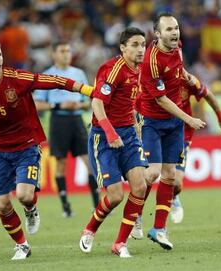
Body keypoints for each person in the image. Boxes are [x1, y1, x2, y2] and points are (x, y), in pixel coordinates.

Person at [0, 39, 93, 260]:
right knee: (2, 205)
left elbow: (54, 80)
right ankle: (22, 245)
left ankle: (31, 210)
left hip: (26, 145)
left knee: (25, 196)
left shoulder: (18, 78)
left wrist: (87, 90)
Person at [132, 13, 206, 250]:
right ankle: (136, 215)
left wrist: (182, 74)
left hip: (173, 122)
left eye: (176, 28)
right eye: (169, 30)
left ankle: (159, 229)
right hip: (153, 120)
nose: (174, 33)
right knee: (152, 173)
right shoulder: (151, 61)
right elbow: (162, 100)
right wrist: (189, 119)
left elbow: (178, 62)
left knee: (170, 175)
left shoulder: (177, 47)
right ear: (157, 34)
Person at [77, 27, 147, 258]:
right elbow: (97, 103)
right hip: (104, 136)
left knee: (140, 186)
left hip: (128, 134)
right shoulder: (112, 69)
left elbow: (130, 101)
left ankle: (120, 243)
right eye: (135, 45)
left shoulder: (140, 70)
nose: (140, 49)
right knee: (115, 195)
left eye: (143, 45)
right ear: (123, 47)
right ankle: (90, 229)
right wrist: (110, 132)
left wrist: (136, 125)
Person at [131, 75, 221, 230]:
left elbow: (208, 94)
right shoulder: (151, 80)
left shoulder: (187, 79)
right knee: (151, 173)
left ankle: (173, 197)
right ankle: (137, 214)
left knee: (176, 183)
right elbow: (136, 106)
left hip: (181, 134)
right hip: (154, 131)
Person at [33, 41, 99, 217]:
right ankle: (66, 207)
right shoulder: (47, 75)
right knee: (61, 164)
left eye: (68, 51)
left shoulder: (78, 73)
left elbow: (91, 98)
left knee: (90, 162)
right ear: (54, 54)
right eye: (62, 51)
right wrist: (58, 104)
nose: (66, 54)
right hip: (58, 121)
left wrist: (80, 104)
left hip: (77, 120)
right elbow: (37, 103)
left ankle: (97, 204)